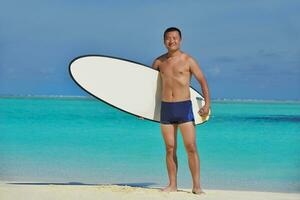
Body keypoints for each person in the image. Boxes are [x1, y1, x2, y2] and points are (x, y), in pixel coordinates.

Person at [152, 27, 210, 195]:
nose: (172, 41)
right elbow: (149, 88)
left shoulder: (188, 60)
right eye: (168, 38)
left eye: (175, 38)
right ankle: (172, 184)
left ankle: (196, 186)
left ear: (180, 40)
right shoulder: (158, 62)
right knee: (170, 148)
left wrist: (206, 104)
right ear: (164, 41)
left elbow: (202, 81)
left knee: (191, 147)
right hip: (166, 109)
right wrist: (144, 110)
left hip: (184, 107)